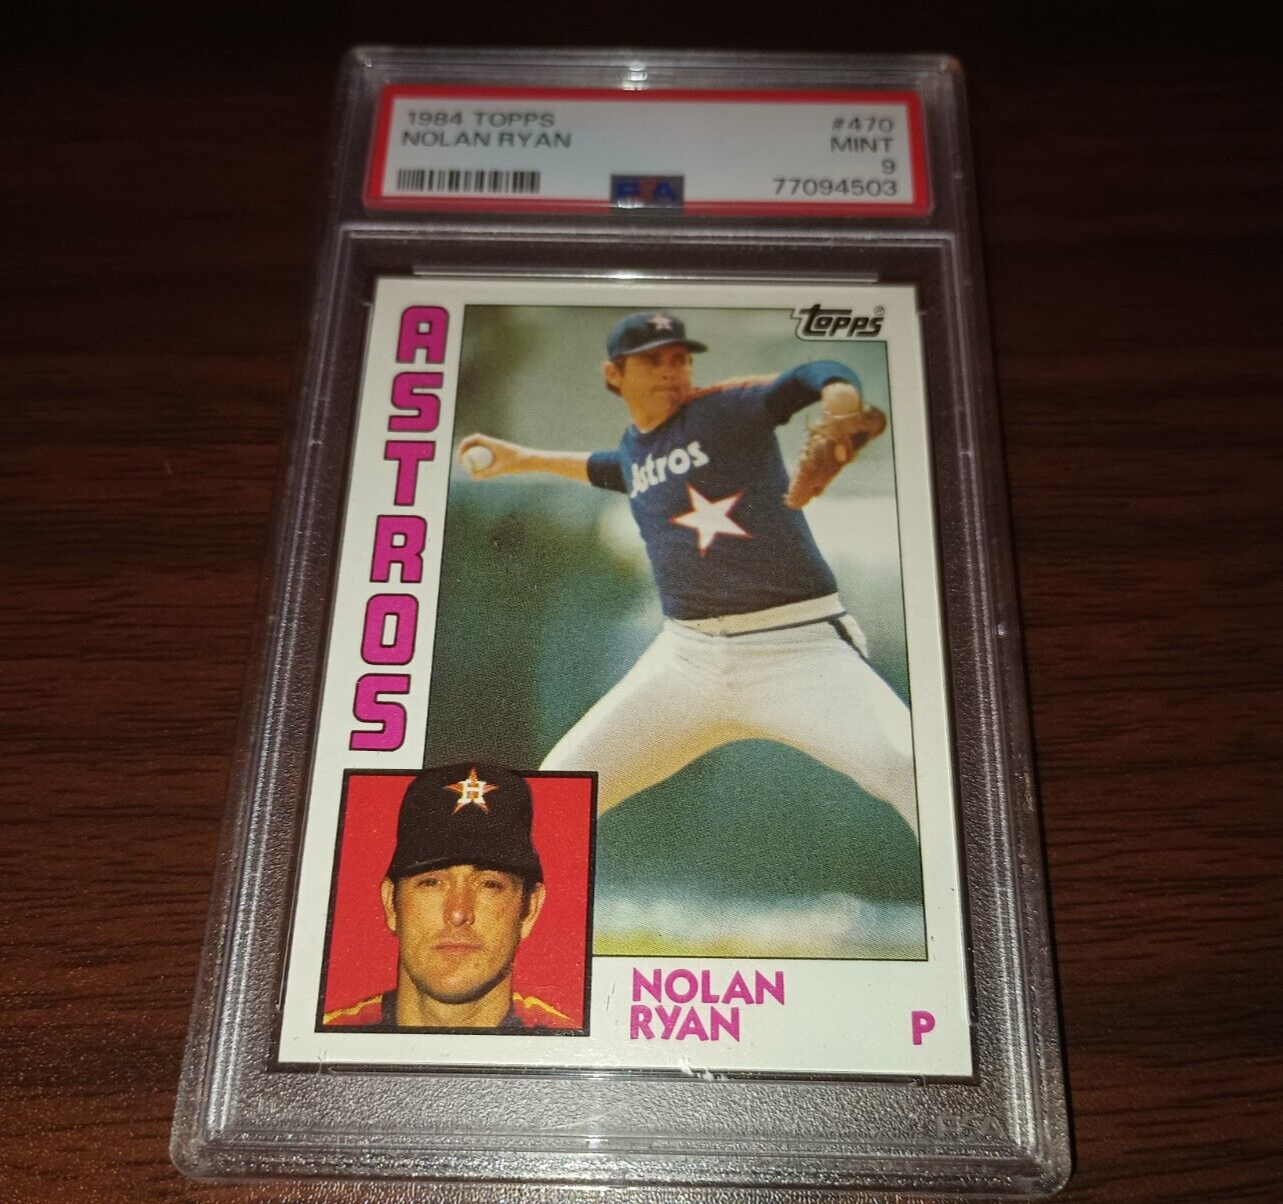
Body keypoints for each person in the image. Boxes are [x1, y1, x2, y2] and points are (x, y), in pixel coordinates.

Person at [457, 311, 918, 836]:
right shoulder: (637, 449)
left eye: (678, 359)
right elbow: (612, 468)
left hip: (797, 650)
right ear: (614, 375)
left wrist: (840, 399)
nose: (670, 370)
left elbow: (812, 375)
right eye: (652, 360)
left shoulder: (724, 410)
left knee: (911, 768)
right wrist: (523, 459)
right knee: (558, 796)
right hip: (686, 661)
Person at [323, 762, 575, 1031]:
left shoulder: (566, 1039)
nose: (457, 913)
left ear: (530, 909)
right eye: (431, 882)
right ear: (391, 904)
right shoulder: (330, 1037)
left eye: (489, 884)